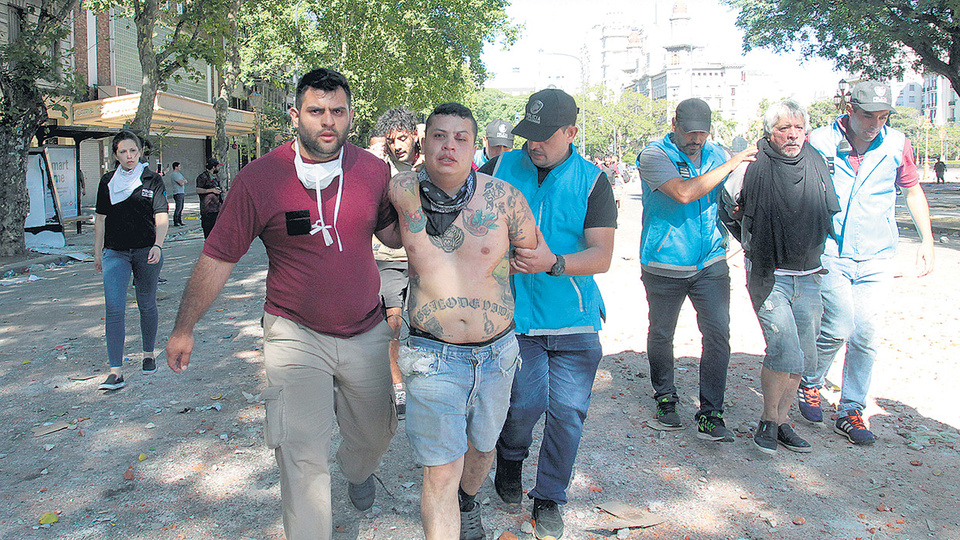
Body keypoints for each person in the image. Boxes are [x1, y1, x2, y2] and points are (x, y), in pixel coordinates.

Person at [165, 68, 400, 540]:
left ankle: (357, 471)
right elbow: (217, 257)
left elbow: (394, 235)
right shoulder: (260, 178)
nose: (327, 122)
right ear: (296, 115)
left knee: (376, 436)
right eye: (316, 111)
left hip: (366, 329)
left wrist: (425, 210)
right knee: (300, 452)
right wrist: (184, 326)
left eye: (337, 111)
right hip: (294, 333)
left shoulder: (373, 171)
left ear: (350, 115)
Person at [389, 102, 537, 540]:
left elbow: (533, 251)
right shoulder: (401, 192)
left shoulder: (505, 197)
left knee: (482, 450)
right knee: (441, 471)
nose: (449, 146)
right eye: (439, 136)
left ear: (474, 146)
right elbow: (373, 239)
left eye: (460, 138)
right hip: (432, 356)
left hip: (496, 354)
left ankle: (468, 501)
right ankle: (453, 509)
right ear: (423, 142)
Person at [480, 88, 617, 540]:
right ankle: (510, 458)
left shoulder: (594, 181)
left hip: (574, 319)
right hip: (514, 318)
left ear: (571, 132)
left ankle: (550, 497)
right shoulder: (501, 168)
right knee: (523, 404)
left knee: (568, 411)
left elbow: (601, 255)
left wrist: (553, 262)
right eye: (528, 134)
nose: (532, 144)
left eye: (544, 136)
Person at [799, 81, 935, 444]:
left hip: (876, 252)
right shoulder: (820, 140)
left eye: (883, 116)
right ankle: (810, 382)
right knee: (838, 324)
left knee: (867, 334)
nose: (875, 123)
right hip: (830, 248)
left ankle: (851, 409)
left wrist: (927, 239)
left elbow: (911, 189)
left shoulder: (897, 143)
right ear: (849, 109)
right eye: (867, 115)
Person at [722, 100, 840, 455]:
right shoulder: (751, 166)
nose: (791, 135)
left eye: (798, 128)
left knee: (803, 355)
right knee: (784, 348)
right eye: (783, 129)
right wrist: (751, 244)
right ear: (769, 133)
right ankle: (768, 421)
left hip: (809, 272)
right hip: (769, 272)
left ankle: (784, 421)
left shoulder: (817, 161)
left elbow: (827, 207)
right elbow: (728, 207)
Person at [636, 98, 757, 441]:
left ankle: (711, 413)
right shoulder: (654, 155)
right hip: (664, 262)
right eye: (690, 134)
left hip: (710, 262)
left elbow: (731, 195)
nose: (696, 141)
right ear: (674, 124)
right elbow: (685, 193)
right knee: (662, 333)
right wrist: (734, 161)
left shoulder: (716, 153)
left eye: (702, 134)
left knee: (718, 334)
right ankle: (665, 397)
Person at [94, 130, 169, 391]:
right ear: (116, 154)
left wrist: (158, 245)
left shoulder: (152, 180)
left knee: (146, 304)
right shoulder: (107, 182)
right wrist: (97, 251)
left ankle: (148, 354)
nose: (129, 156)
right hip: (115, 252)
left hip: (146, 251)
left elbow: (161, 215)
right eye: (123, 152)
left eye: (133, 151)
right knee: (114, 309)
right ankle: (115, 371)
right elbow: (101, 218)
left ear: (140, 152)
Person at [371, 107, 422, 417]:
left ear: (414, 135)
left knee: (425, 322)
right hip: (388, 258)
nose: (398, 145)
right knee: (392, 323)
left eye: (403, 138)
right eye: (391, 140)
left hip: (425, 258)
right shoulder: (378, 170)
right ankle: (397, 385)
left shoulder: (430, 166)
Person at [376, 107, 421, 175]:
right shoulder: (385, 168)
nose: (397, 147)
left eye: (402, 139)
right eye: (391, 141)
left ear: (415, 134)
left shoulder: (430, 158)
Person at [196, 157, 222, 238]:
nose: (219, 168)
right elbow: (198, 190)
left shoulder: (216, 176)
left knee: (217, 232)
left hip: (217, 208)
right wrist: (211, 190)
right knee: (208, 231)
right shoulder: (202, 177)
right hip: (207, 209)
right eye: (218, 166)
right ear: (213, 167)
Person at [169, 162, 187, 226]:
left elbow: (185, 180)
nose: (180, 167)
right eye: (179, 166)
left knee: (181, 207)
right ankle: (176, 221)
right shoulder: (174, 174)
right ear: (176, 167)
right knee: (178, 207)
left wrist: (183, 181)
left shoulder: (179, 174)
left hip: (181, 192)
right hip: (177, 192)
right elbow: (181, 183)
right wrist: (183, 181)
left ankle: (180, 220)